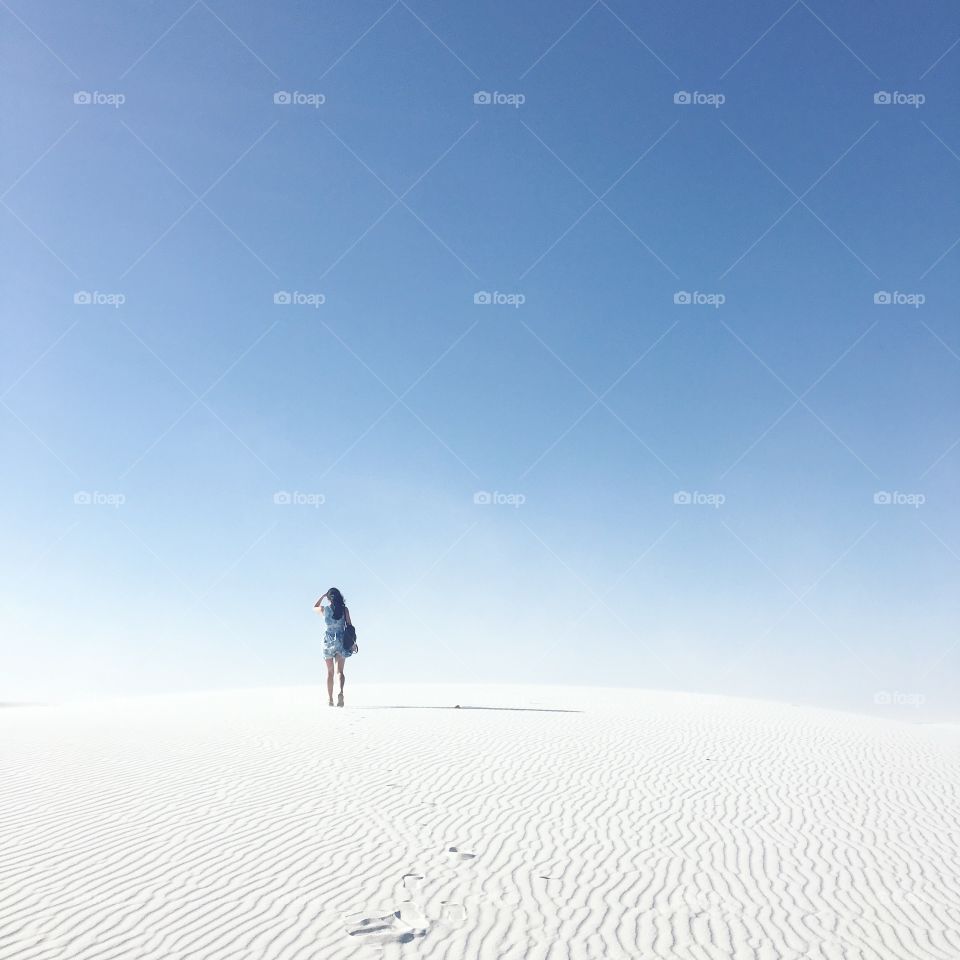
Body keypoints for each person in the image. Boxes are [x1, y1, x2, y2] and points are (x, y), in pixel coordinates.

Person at [314, 587, 355, 707]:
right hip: (341, 641)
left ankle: (330, 699)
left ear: (329, 598)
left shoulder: (324, 609)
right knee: (340, 671)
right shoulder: (344, 610)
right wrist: (352, 642)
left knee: (330, 672)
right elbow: (350, 626)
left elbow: (314, 607)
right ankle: (340, 692)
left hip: (328, 642)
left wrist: (322, 596)